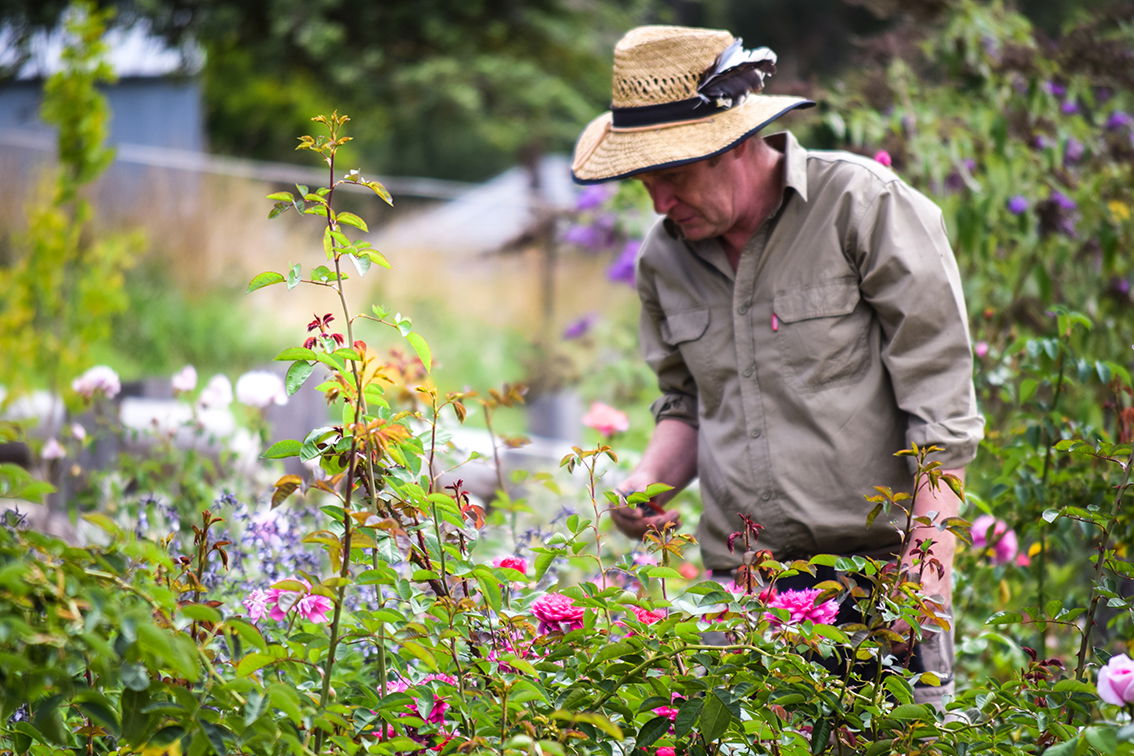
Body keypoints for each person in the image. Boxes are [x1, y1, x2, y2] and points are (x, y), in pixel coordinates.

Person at [570, 25, 984, 707]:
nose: (658, 204)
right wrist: (645, 485)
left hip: (877, 580)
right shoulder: (662, 259)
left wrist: (925, 574)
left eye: (672, 176)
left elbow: (940, 403)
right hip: (745, 599)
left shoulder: (862, 207)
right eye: (645, 183)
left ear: (734, 142)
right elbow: (686, 402)